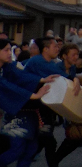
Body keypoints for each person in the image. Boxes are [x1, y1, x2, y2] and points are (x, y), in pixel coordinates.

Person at [0, 39, 57, 167]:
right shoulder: (36, 61)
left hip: (23, 110)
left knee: (30, 149)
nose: (10, 53)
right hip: (14, 112)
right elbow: (6, 87)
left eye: (10, 49)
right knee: (17, 149)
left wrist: (42, 79)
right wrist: (34, 95)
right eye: (6, 50)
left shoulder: (8, 67)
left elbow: (22, 76)